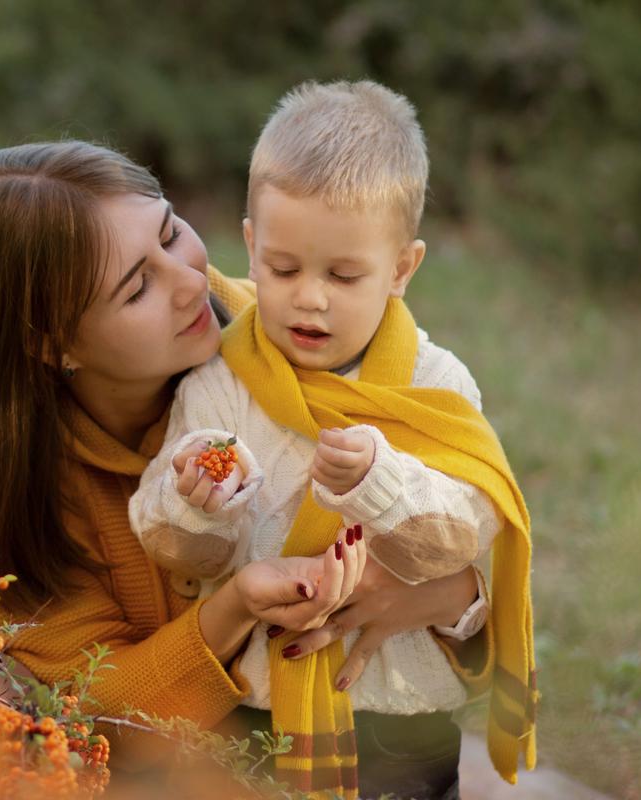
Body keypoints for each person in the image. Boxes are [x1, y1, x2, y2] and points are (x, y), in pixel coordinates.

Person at [0, 139, 491, 794]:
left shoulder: (300, 332)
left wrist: (450, 591)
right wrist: (238, 607)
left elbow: (466, 503)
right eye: (138, 287)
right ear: (52, 341)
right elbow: (101, 710)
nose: (191, 280)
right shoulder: (0, 496)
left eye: (171, 232)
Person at [129, 80, 537, 798]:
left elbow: (463, 533)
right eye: (284, 269)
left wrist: (381, 482)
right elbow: (184, 554)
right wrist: (197, 503)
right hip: (253, 711)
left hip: (399, 724)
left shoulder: (435, 385)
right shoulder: (222, 381)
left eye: (344, 275)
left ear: (402, 270)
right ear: (252, 246)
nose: (309, 296)